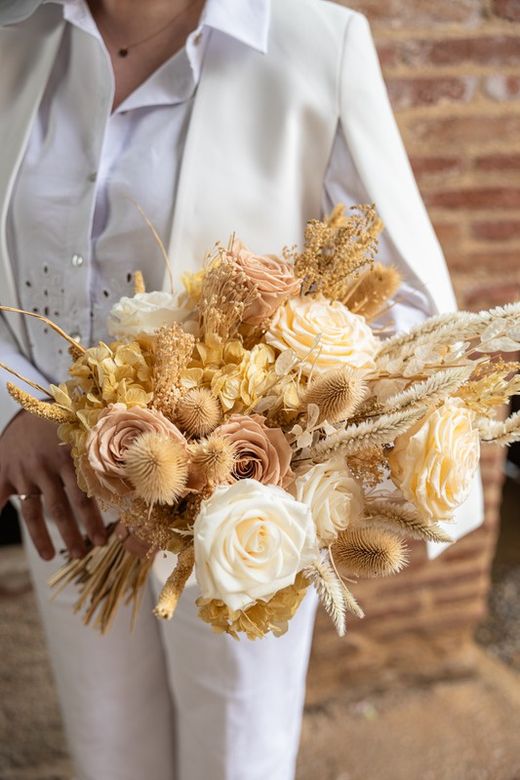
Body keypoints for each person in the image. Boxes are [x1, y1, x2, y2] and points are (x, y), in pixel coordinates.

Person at [0, 1, 484, 778]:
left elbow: (416, 314)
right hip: (59, 497)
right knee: (105, 750)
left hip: (242, 510)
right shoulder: (16, 33)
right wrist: (12, 408)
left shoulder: (317, 45)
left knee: (237, 756)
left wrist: (274, 432)